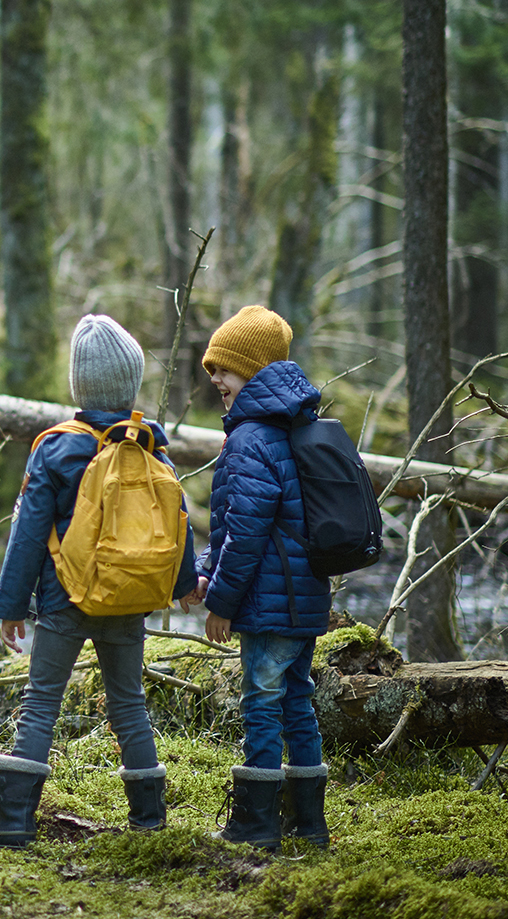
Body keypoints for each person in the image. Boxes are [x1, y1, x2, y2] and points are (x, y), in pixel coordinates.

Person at [0, 314, 201, 848]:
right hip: (128, 600)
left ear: (78, 385)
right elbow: (177, 523)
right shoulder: (152, 448)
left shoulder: (55, 448)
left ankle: (12, 820)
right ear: (131, 383)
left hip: (64, 598)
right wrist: (184, 585)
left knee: (42, 701)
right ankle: (149, 819)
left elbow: (27, 533)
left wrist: (10, 606)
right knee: (129, 703)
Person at [196, 305, 332, 849]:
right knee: (297, 702)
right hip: (305, 604)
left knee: (261, 700)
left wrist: (222, 602)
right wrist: (208, 571)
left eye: (222, 368)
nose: (214, 379)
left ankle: (255, 825)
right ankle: (309, 823)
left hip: (269, 606)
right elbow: (238, 526)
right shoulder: (292, 427)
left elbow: (246, 534)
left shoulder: (250, 438)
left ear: (251, 368)